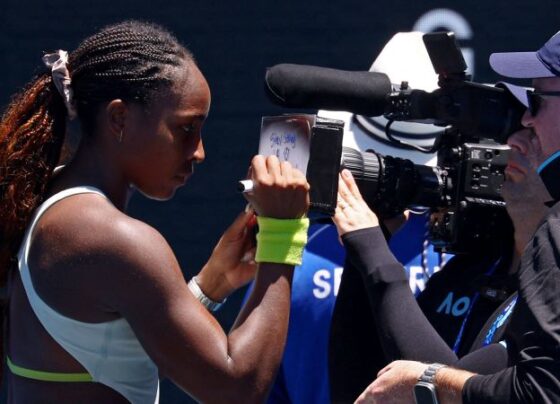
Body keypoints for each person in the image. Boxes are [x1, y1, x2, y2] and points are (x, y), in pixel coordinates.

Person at [0, 21, 310, 403]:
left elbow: (116, 349)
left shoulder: (56, 200)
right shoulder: (110, 237)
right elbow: (237, 388)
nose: (199, 152)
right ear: (119, 119)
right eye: (185, 129)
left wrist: (211, 285)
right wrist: (284, 234)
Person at [347, 29, 560, 403]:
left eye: (537, 102)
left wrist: (371, 249)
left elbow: (530, 392)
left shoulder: (552, 244)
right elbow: (366, 387)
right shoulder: (466, 273)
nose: (523, 127)